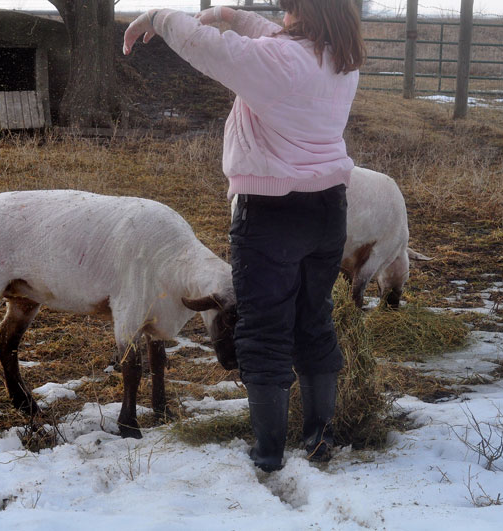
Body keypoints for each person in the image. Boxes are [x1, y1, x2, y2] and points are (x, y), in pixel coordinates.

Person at [124, 0, 365, 472]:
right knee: (313, 319)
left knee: (264, 328)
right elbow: (279, 42)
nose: (282, 15)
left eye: (288, 7)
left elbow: (207, 49)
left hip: (272, 214)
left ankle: (269, 452)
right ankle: (320, 439)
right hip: (328, 210)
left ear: (301, 12)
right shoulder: (338, 57)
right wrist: (234, 16)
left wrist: (157, 16)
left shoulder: (278, 64)